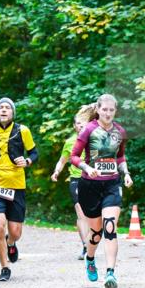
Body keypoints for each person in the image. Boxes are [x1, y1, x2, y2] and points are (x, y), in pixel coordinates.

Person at [70, 93, 133, 288]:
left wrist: (126, 173)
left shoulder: (120, 132)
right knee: (96, 232)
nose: (107, 113)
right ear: (97, 110)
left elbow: (120, 157)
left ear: (115, 111)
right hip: (90, 186)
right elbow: (73, 156)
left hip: (112, 185)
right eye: (104, 109)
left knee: (110, 227)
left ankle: (110, 273)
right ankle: (90, 259)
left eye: (111, 110)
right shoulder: (89, 130)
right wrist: (87, 169)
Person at [0, 97, 38, 282]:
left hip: (16, 185)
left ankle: (11, 243)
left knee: (15, 232)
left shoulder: (22, 130)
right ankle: (4, 267)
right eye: (0, 108)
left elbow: (34, 153)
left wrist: (27, 161)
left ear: (12, 113)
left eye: (7, 108)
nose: (3, 110)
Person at [51, 103, 96, 260]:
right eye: (77, 123)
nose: (80, 125)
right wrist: (56, 172)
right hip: (76, 180)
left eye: (83, 122)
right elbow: (62, 161)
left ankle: (91, 243)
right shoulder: (70, 142)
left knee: (93, 215)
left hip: (93, 179)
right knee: (80, 212)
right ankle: (85, 246)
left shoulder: (94, 139)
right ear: (74, 126)